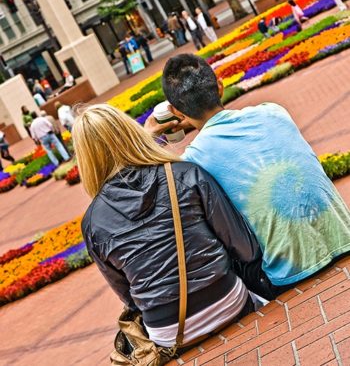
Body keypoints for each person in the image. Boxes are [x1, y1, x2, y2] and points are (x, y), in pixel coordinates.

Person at [145, 54, 350, 299]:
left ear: (175, 111)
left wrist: (148, 136)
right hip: (343, 237)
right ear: (219, 86)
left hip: (288, 273)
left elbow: (153, 185)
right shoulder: (274, 112)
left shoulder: (194, 160)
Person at [73, 104, 263, 348]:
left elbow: (130, 299)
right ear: (132, 132)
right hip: (225, 299)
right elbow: (245, 248)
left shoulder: (92, 222)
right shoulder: (185, 174)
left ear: (85, 159)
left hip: (167, 330)